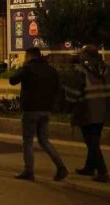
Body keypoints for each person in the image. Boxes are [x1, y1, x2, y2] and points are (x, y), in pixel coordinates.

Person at [9, 47, 67, 181]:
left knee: (27, 141)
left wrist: (22, 67)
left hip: (30, 109)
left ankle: (28, 171)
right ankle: (60, 166)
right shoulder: (51, 69)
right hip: (46, 110)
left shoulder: (28, 68)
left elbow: (12, 80)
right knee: (44, 141)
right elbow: (58, 88)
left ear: (29, 56)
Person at [65, 45, 110, 183]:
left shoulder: (81, 70)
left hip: (87, 110)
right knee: (94, 139)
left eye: (82, 54)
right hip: (103, 110)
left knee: (91, 142)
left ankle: (102, 172)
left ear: (86, 56)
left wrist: (69, 104)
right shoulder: (106, 68)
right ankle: (89, 167)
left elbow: (74, 91)